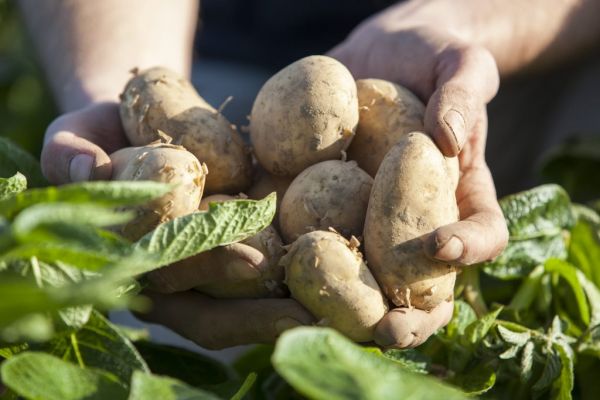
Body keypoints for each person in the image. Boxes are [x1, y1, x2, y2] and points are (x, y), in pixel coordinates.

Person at [18, 0, 600, 349]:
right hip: (210, 56)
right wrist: (104, 86)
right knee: (177, 290)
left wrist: (459, 23)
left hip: (520, 51)